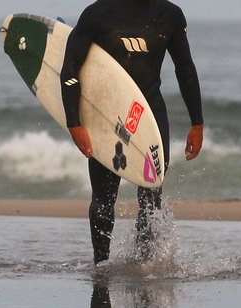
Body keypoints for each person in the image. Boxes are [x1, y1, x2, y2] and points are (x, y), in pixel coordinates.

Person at [60, 0, 204, 264]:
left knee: (151, 199)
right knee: (103, 200)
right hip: (107, 119)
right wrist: (74, 124)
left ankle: (144, 265)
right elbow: (70, 68)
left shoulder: (169, 14)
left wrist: (197, 122)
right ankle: (101, 265)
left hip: (150, 117)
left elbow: (185, 68)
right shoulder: (97, 13)